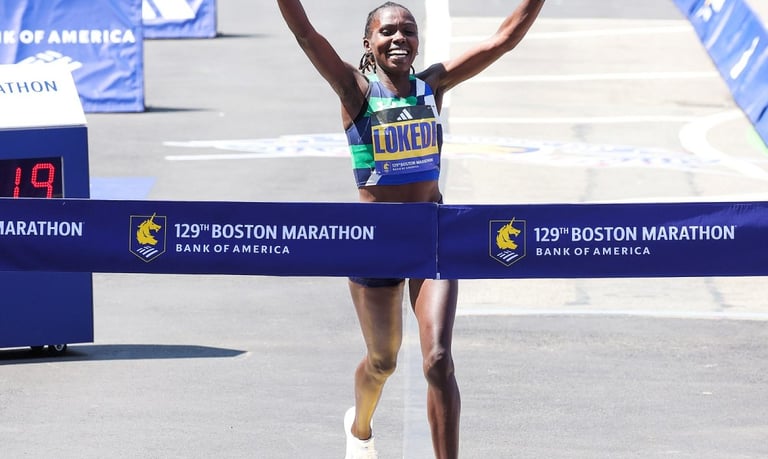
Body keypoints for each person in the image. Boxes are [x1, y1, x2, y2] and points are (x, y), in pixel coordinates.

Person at [276, 1, 545, 457]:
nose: (399, 38)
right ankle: (359, 428)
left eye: (408, 30)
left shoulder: (432, 85)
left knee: (438, 360)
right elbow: (306, 34)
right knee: (382, 362)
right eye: (387, 32)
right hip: (375, 246)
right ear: (368, 44)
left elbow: (504, 38)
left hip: (432, 236)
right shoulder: (355, 90)